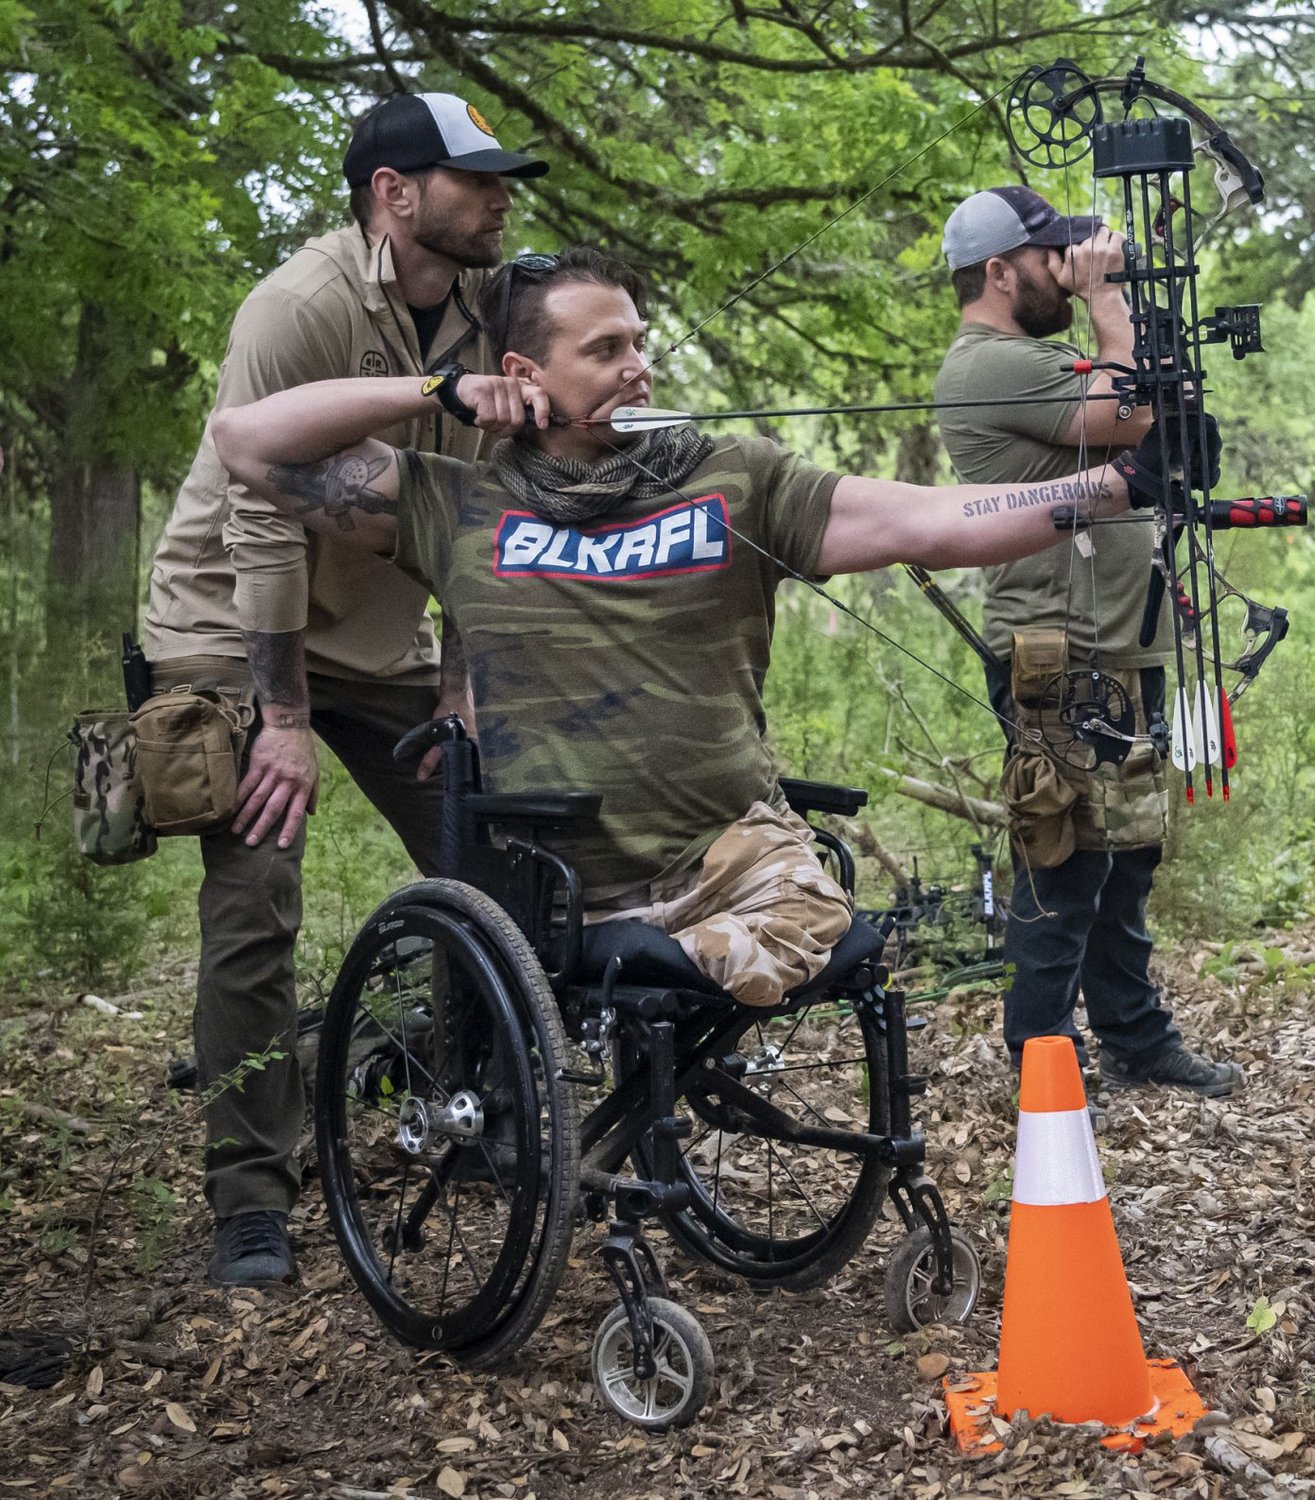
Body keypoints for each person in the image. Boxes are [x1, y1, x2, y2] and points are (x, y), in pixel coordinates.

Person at [207, 247, 1209, 1014]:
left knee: (817, 917)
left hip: (732, 862)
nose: (636, 369)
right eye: (604, 351)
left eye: (639, 344)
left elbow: (930, 520)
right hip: (555, 887)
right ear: (524, 373)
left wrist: (1114, 484)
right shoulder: (452, 503)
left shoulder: (732, 479)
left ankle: (694, 974)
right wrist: (441, 392)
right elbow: (244, 441)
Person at [142, 92, 548, 1286]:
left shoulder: (494, 310)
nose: (499, 196)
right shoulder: (297, 309)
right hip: (233, 628)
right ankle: (249, 1199)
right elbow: (261, 523)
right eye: (474, 179)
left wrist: (465, 690)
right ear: (394, 193)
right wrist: (280, 721)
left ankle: (453, 1091)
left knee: (502, 857)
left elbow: (488, 522)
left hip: (381, 640)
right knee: (258, 894)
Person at [932, 186, 1243, 1097]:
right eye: (1051, 259)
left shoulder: (1048, 358)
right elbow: (1120, 415)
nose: (1069, 273)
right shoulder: (986, 364)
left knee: (1126, 857)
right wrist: (1110, 307)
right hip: (1054, 653)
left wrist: (1135, 326)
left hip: (1117, 643)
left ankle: (1136, 1041)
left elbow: (1151, 424)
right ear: (998, 272)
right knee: (1064, 859)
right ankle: (1042, 1065)